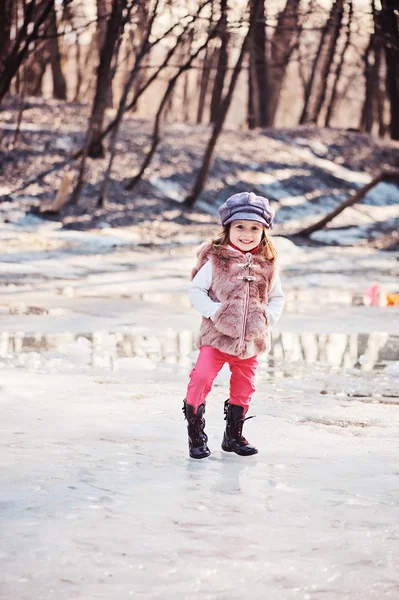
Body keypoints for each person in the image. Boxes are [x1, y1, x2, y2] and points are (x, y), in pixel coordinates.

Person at [182, 191, 285, 459]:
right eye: (240, 227)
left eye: (254, 228)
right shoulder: (217, 261)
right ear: (228, 229)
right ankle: (196, 436)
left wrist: (266, 319)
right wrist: (217, 312)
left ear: (264, 232)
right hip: (216, 337)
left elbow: (277, 297)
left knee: (244, 386)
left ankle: (233, 436)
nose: (247, 234)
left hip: (251, 340)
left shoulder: (268, 266)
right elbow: (196, 291)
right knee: (201, 378)